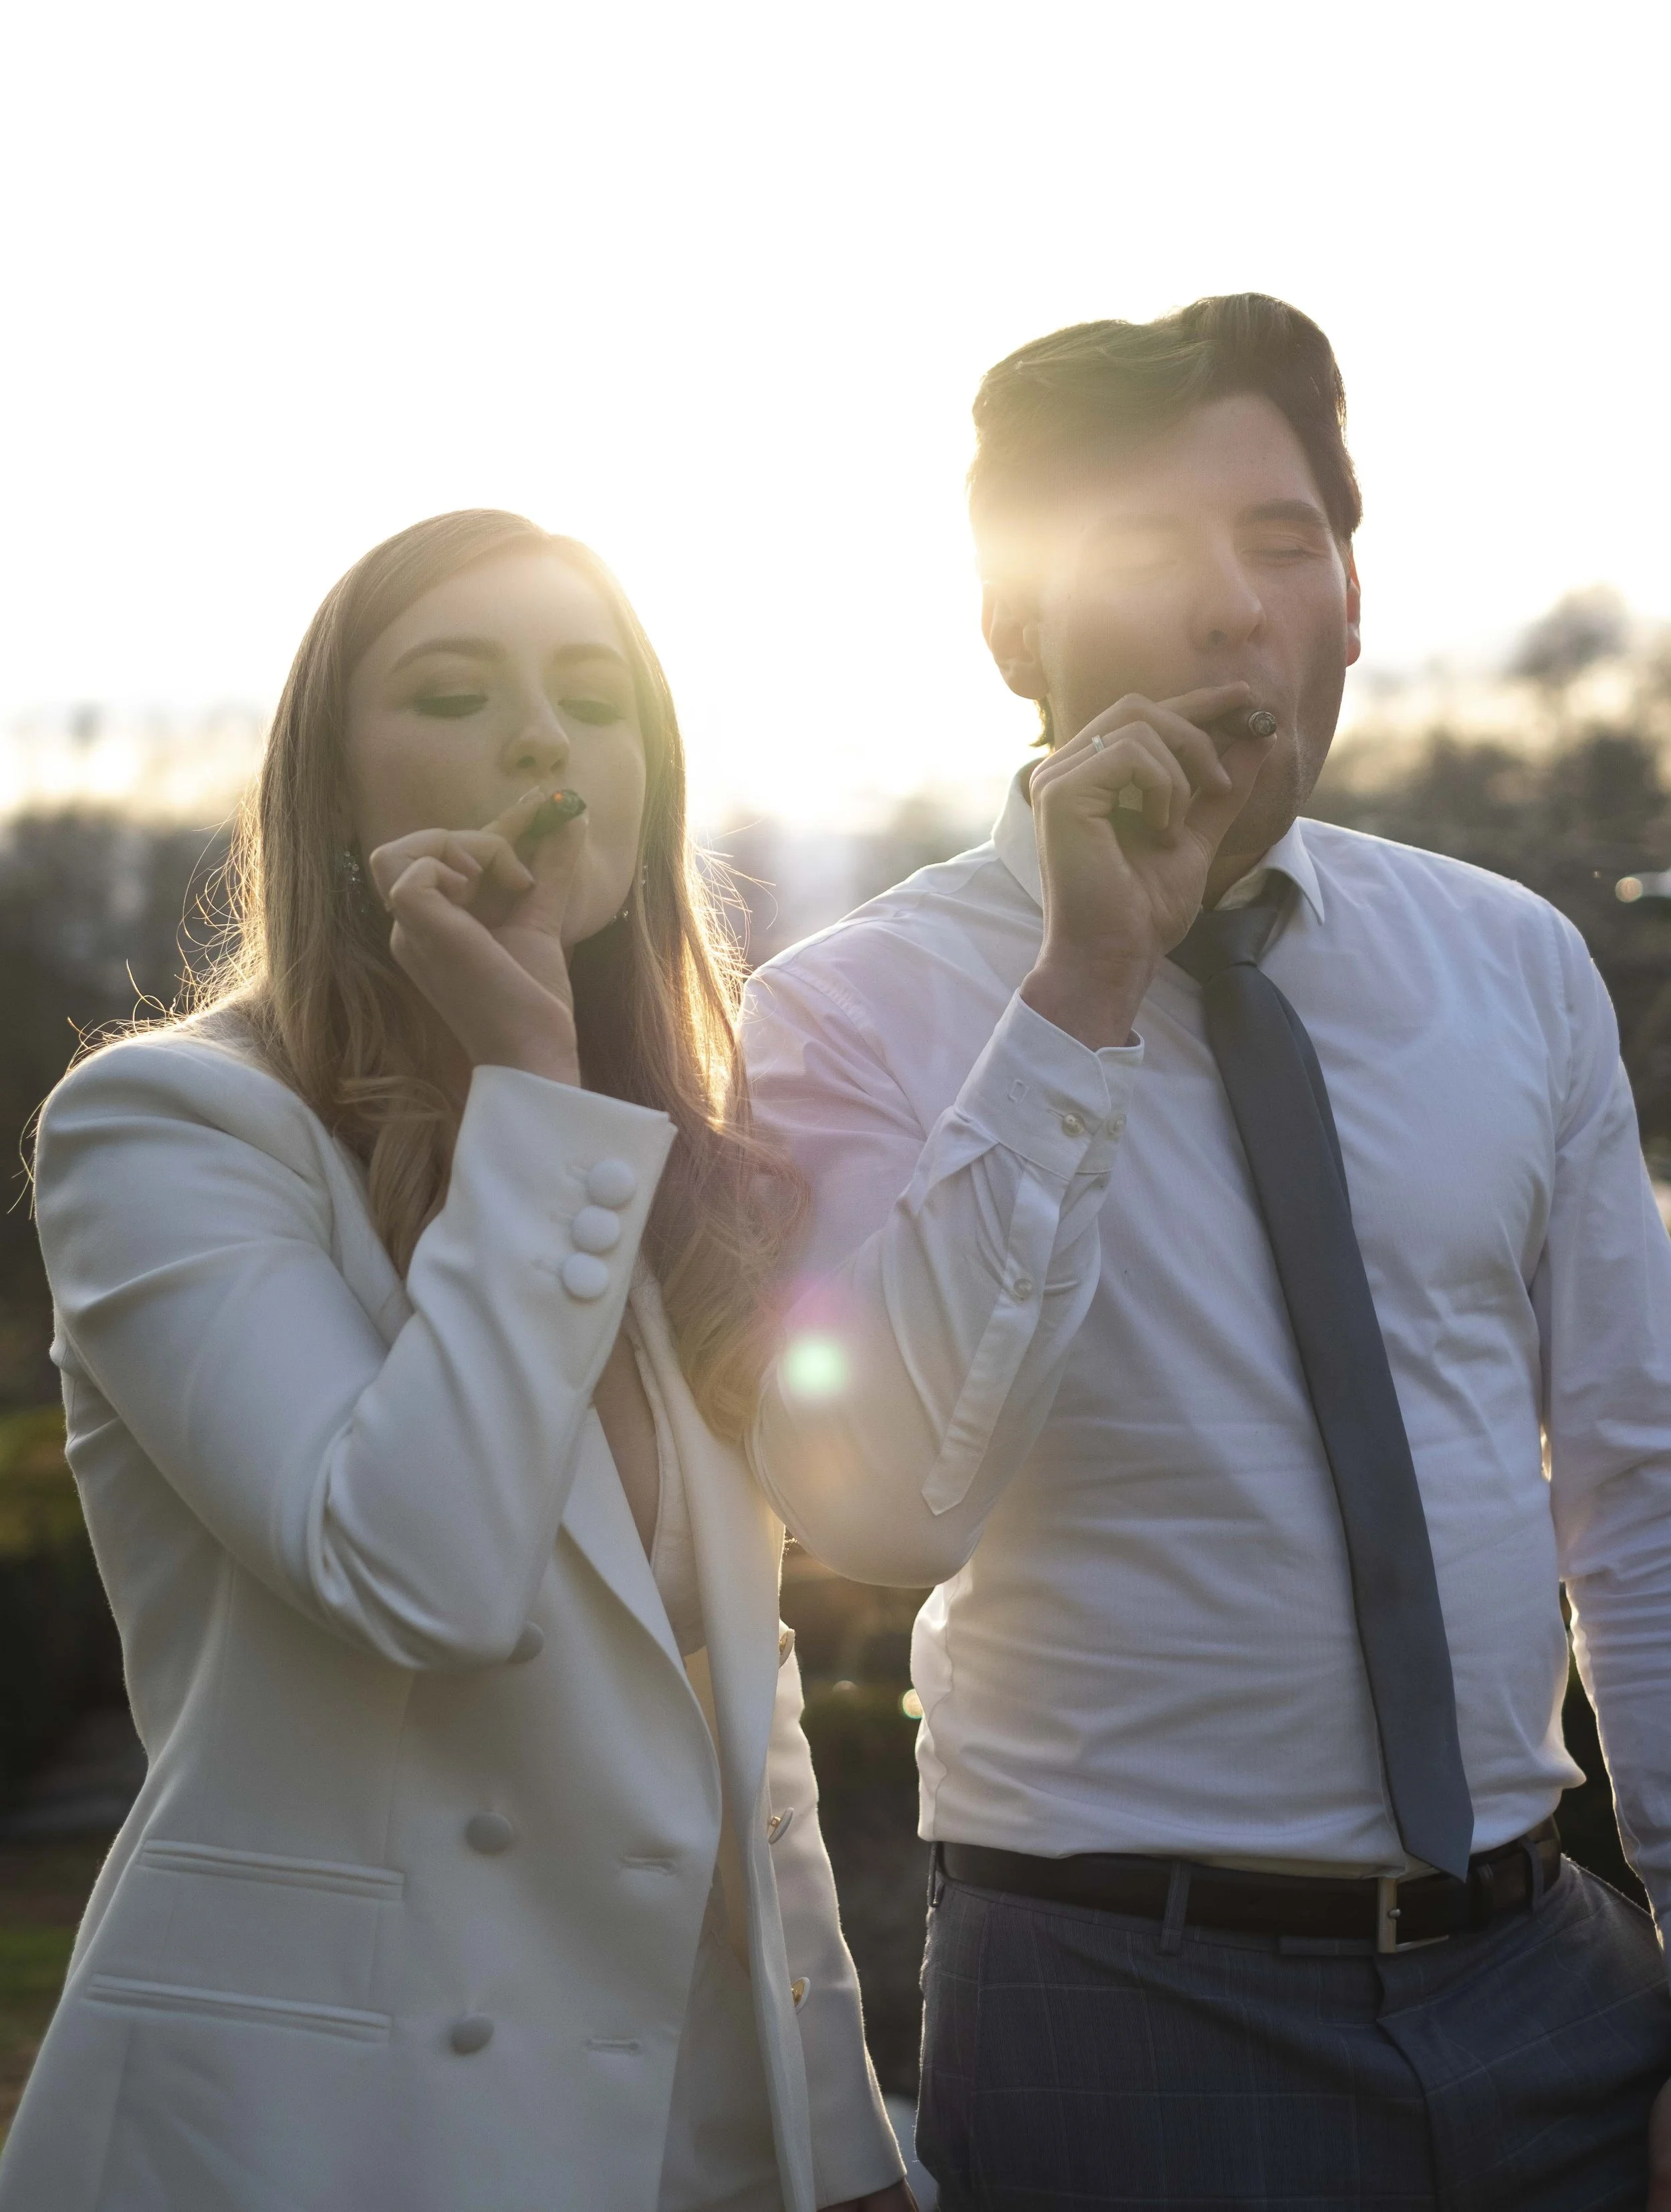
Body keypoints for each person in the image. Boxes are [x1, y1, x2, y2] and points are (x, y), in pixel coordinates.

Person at [741, 298, 1671, 2209]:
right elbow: (879, 1496)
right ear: (1014, 626)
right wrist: (1081, 987)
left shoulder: (1509, 965)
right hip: (1121, 2009)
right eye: (1143, 554)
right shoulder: (844, 1015)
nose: (1234, 608)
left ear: (1345, 597)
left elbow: (1640, 1486)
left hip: (1549, 1989)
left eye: (1279, 542)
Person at [5, 511, 911, 2212]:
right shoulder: (170, 1127)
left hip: (702, 2134)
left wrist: (841, 2141)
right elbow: (419, 1577)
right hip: (334, 2142)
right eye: (450, 690)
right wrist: (528, 1085)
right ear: (333, 795)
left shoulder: (656, 1156)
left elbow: (733, 1716)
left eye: (590, 695)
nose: (537, 739)